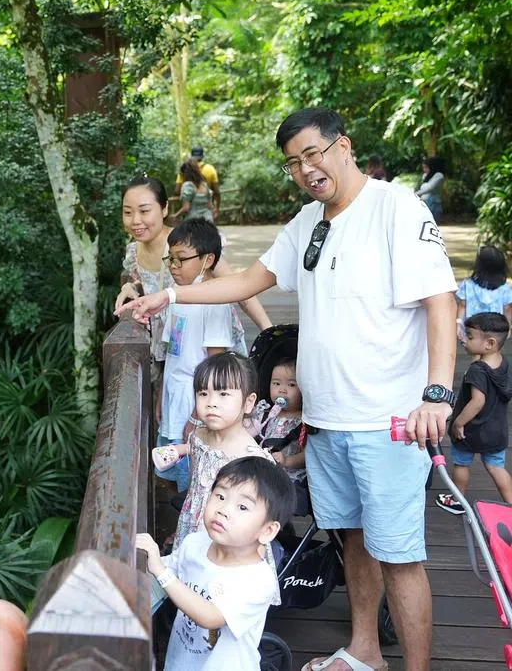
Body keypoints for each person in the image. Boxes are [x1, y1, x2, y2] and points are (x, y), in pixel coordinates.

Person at [117, 107, 457, 671]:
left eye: (312, 154)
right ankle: (365, 650)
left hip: (387, 421)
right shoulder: (308, 223)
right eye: (293, 163)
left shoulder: (396, 207)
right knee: (352, 541)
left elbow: (440, 300)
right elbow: (250, 280)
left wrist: (438, 393)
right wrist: (169, 296)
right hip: (323, 421)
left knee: (399, 555)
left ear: (343, 146)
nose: (305, 169)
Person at [137, 456, 294, 671]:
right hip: (181, 661)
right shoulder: (195, 543)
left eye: (242, 507)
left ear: (267, 530)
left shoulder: (258, 580)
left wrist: (161, 571)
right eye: (220, 496)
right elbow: (162, 571)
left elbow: (211, 617)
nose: (223, 509)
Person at [116, 175, 272, 359]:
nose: (135, 220)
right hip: (172, 350)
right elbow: (151, 282)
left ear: (164, 208)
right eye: (128, 212)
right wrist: (132, 286)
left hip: (210, 346)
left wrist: (270, 335)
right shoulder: (134, 251)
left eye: (144, 211)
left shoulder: (188, 244)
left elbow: (241, 289)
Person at [153, 352, 276, 555]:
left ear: (248, 402)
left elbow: (258, 517)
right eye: (203, 393)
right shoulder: (199, 435)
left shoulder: (252, 460)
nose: (211, 402)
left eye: (223, 394)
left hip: (227, 540)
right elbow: (195, 470)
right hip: (192, 524)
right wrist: (179, 450)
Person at [151, 220, 236, 491]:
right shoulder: (177, 298)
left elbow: (215, 365)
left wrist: (197, 417)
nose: (173, 266)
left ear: (207, 260)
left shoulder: (215, 303)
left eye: (182, 259)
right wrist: (160, 395)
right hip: (173, 401)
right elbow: (172, 354)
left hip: (194, 405)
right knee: (170, 474)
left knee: (194, 483)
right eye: (170, 259)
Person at [436, 313, 512, 515]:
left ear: (489, 343)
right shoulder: (504, 364)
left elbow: (478, 401)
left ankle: (458, 500)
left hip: (470, 431)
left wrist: (458, 423)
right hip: (496, 431)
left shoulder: (477, 370)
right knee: (496, 467)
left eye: (469, 336)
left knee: (461, 464)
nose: (464, 340)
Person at [247, 357, 306, 481]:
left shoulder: (304, 422)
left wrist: (287, 461)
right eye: (276, 383)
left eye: (291, 385)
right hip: (260, 473)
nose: (282, 390)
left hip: (288, 477)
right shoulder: (263, 414)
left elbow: (307, 455)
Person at [455, 245, 512, 342]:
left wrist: (458, 323)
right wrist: (509, 326)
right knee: (493, 348)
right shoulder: (505, 288)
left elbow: (462, 306)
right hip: (496, 328)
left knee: (474, 348)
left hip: (472, 328)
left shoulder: (467, 285)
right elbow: (507, 309)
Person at [176, 146, 221, 219]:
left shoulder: (185, 168)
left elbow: (177, 190)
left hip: (192, 216)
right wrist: (217, 208)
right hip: (207, 214)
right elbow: (217, 191)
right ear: (202, 156)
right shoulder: (210, 169)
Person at [416, 156, 445, 220]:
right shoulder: (425, 176)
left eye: (426, 167)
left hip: (433, 203)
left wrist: (415, 194)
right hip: (423, 202)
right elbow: (420, 188)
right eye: (423, 167)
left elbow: (430, 188)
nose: (424, 170)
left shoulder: (439, 176)